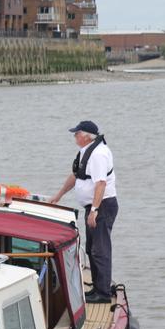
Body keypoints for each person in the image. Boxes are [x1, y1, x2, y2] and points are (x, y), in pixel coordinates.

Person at [49, 120, 117, 304]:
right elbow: (75, 175)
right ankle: (98, 287)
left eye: (77, 134)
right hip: (93, 207)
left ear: (86, 136)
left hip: (102, 206)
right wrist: (59, 194)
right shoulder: (85, 152)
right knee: (91, 249)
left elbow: (101, 183)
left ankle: (103, 294)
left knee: (99, 250)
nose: (74, 137)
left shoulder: (98, 154)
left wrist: (94, 210)